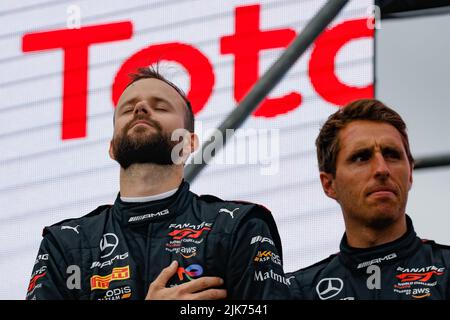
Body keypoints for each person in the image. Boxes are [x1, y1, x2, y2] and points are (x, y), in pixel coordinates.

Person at [26, 66, 291, 300]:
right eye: (128, 109)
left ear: (189, 143)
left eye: (160, 107)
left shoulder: (237, 226)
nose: (140, 109)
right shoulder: (65, 243)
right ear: (111, 147)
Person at [288, 99, 450, 300]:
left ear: (410, 175)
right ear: (329, 184)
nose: (382, 169)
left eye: (392, 155)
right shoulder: (299, 291)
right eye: (361, 157)